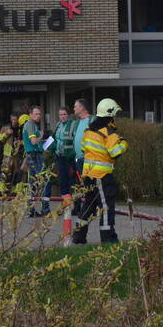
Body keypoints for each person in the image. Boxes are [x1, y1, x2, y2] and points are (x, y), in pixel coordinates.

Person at [73, 98, 128, 245]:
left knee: (88, 206)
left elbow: (84, 149)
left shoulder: (88, 130)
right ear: (110, 114)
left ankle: (78, 237)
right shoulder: (109, 132)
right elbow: (115, 152)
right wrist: (123, 143)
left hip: (88, 175)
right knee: (106, 207)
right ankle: (107, 237)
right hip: (102, 177)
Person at [52, 106, 77, 240]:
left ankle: (73, 204)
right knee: (62, 181)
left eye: (64, 114)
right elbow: (54, 139)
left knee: (71, 180)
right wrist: (48, 149)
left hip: (69, 157)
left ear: (68, 115)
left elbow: (75, 139)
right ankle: (66, 204)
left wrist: (72, 153)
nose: (62, 116)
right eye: (60, 114)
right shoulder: (57, 125)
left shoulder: (72, 125)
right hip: (60, 156)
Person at [22, 105, 46, 216]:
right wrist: (41, 136)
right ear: (30, 114)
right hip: (34, 155)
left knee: (33, 182)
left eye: (39, 114)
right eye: (36, 114)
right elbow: (33, 141)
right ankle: (40, 209)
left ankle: (31, 209)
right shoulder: (30, 124)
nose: (38, 116)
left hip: (34, 154)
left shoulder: (32, 124)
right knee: (41, 181)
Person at [0, 113, 24, 193]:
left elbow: (24, 139)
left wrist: (20, 142)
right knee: (5, 171)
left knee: (17, 172)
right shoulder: (5, 128)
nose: (14, 121)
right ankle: (1, 189)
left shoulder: (21, 128)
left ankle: (16, 190)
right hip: (7, 153)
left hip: (17, 153)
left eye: (15, 119)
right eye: (12, 119)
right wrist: (6, 133)